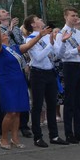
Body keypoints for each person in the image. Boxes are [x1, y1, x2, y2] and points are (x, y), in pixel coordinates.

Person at [0, 17, 47, 149]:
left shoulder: (15, 48)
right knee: (10, 112)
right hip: (7, 83)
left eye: (4, 33)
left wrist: (39, 36)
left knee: (18, 112)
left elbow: (28, 45)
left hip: (19, 81)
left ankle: (15, 138)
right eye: (3, 34)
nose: (5, 35)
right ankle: (3, 138)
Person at [23, 15, 66, 148]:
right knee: (37, 105)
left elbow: (58, 55)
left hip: (50, 72)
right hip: (38, 73)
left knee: (52, 104)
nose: (41, 20)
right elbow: (38, 57)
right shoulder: (30, 39)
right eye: (38, 19)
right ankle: (38, 137)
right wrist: (50, 45)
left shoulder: (48, 36)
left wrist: (63, 42)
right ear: (33, 24)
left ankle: (54, 135)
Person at [56, 7, 80, 143]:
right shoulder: (61, 34)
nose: (75, 17)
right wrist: (76, 50)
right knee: (70, 101)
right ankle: (69, 133)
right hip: (70, 66)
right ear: (65, 17)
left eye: (76, 15)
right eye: (72, 15)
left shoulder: (79, 33)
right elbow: (60, 55)